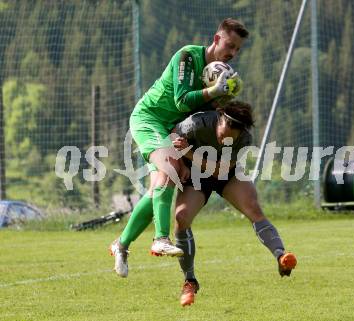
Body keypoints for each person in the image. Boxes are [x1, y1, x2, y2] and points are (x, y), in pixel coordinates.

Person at [109, 18, 249, 278]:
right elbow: (182, 101)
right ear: (216, 39)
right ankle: (160, 238)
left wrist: (225, 98)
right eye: (230, 45)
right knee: (170, 170)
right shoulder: (187, 56)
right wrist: (214, 91)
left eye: (237, 49)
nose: (232, 53)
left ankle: (122, 244)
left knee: (157, 190)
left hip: (171, 131)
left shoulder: (218, 76)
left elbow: (199, 121)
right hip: (149, 119)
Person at [171, 101, 297, 306]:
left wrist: (190, 154)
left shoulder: (244, 139)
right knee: (181, 218)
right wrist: (179, 163)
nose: (223, 142)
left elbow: (220, 170)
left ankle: (281, 256)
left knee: (254, 209)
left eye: (228, 141)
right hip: (194, 174)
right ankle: (190, 281)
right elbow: (171, 135)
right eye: (221, 137)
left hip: (224, 173)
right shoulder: (196, 123)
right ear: (219, 120)